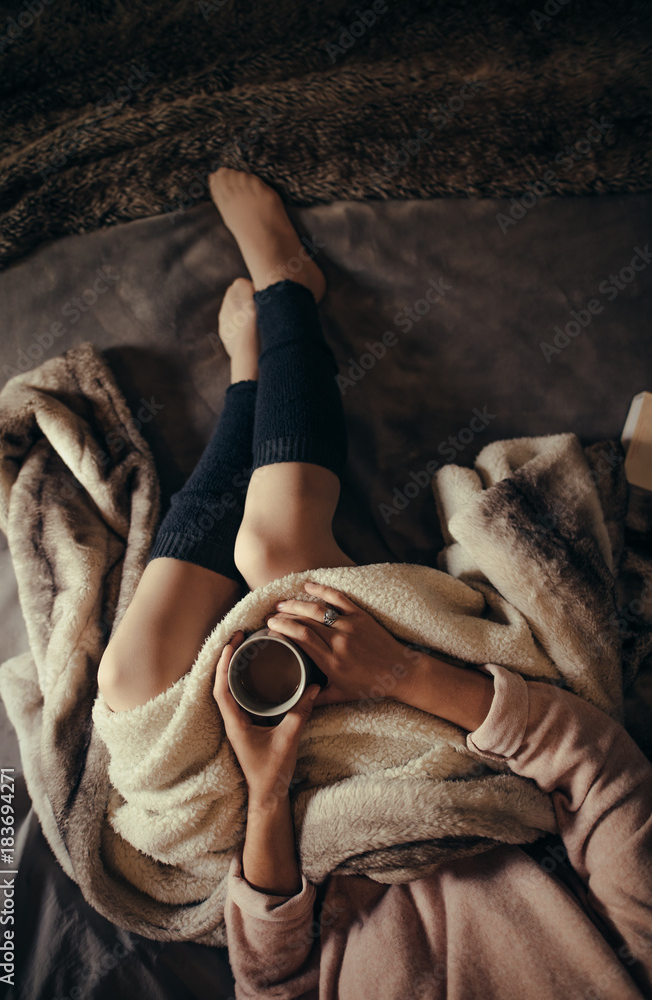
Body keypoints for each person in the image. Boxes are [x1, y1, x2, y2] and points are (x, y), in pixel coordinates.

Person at [97, 169, 652, 1000]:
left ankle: (249, 391)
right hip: (452, 750)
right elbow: (604, 773)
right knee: (275, 553)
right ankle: (289, 297)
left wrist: (267, 785)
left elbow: (270, 977)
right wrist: (398, 673)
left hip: (292, 822)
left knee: (130, 681)